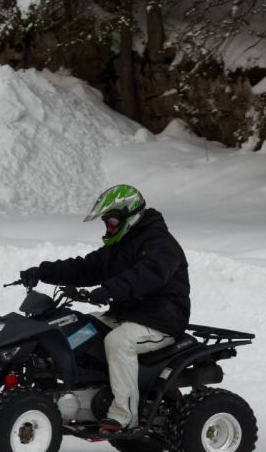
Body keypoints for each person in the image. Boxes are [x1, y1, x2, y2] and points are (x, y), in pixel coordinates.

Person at [20, 184, 190, 431]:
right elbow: (84, 268)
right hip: (127, 315)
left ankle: (124, 415)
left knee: (118, 342)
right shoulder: (119, 246)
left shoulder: (161, 245)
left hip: (160, 319)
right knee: (78, 331)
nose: (108, 227)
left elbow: (146, 275)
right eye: (106, 222)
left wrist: (109, 290)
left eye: (111, 221)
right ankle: (86, 394)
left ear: (130, 216)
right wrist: (42, 272)